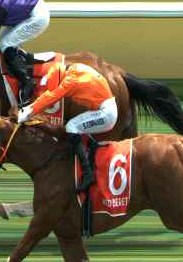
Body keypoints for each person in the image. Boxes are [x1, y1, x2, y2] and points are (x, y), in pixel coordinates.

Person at [16, 62, 117, 192]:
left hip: (106, 114)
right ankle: (91, 154)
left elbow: (52, 97)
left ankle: (88, 173)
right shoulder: (74, 69)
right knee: (76, 126)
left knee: (71, 127)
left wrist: (29, 111)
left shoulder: (70, 81)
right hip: (106, 108)